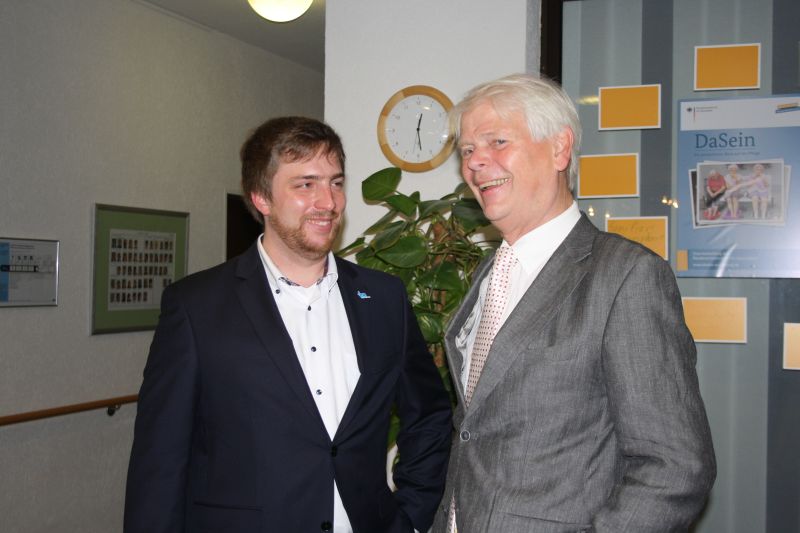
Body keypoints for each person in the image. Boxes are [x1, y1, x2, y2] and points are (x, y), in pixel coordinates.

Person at [125, 116, 452, 533]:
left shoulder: (384, 297)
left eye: (335, 182)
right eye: (305, 185)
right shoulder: (196, 307)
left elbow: (428, 415)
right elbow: (160, 460)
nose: (328, 202)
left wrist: (410, 515)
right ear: (261, 197)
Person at [431, 74, 716, 532]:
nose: (476, 162)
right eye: (467, 150)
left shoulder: (625, 276)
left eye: (497, 141)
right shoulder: (488, 274)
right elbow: (474, 433)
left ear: (560, 149)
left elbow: (675, 467)